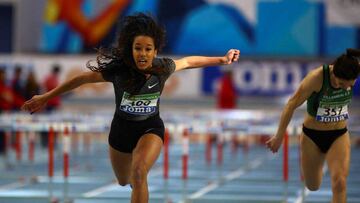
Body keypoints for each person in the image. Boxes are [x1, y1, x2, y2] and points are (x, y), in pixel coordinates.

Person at [21, 12, 240, 203]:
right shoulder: (119, 71)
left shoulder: (162, 68)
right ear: (131, 49)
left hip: (150, 128)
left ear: (155, 52)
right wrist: (46, 97)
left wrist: (221, 60)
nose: (142, 54)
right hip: (121, 131)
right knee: (124, 180)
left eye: (147, 49)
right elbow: (81, 79)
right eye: (138, 48)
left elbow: (189, 62)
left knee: (139, 172)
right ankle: (136, 186)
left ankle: (139, 184)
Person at [266, 48, 360, 203]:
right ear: (334, 73)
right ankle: (319, 161)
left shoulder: (353, 70)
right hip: (312, 136)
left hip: (338, 134)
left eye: (349, 85)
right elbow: (291, 104)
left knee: (340, 183)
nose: (344, 88)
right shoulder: (316, 78)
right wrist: (279, 136)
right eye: (341, 83)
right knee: (313, 185)